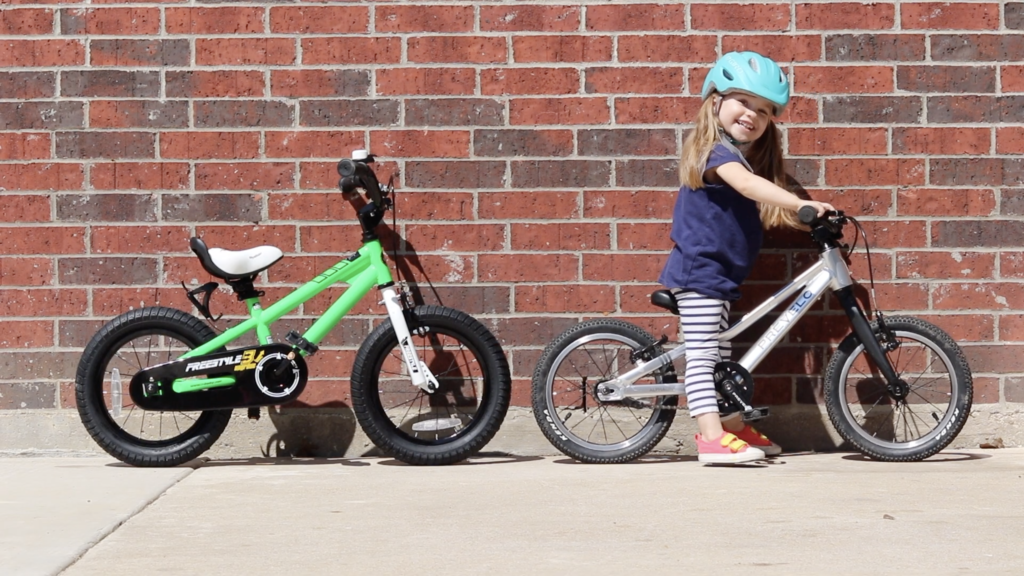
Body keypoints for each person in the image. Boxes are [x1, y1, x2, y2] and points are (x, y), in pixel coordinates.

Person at [658, 51, 835, 464]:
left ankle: (733, 426)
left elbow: (755, 185)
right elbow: (748, 186)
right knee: (703, 355)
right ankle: (709, 437)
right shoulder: (715, 153)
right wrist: (799, 204)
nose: (752, 114)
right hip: (700, 272)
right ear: (715, 100)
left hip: (719, 277)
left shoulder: (735, 154)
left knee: (720, 357)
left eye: (764, 110)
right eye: (743, 101)